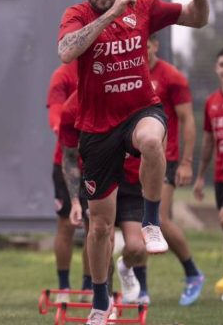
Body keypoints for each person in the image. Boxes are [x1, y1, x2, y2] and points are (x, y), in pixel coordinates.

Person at [57, 0, 209, 323]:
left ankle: (152, 221)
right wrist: (110, 14)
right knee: (100, 228)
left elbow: (196, 20)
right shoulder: (76, 15)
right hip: (97, 129)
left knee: (153, 140)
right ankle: (100, 301)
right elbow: (66, 51)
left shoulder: (142, 7)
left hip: (140, 111)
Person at [59, 91, 148, 307]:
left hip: (130, 183)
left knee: (137, 247)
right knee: (102, 238)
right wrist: (75, 201)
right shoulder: (72, 108)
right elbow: (69, 158)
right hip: (98, 179)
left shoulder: (132, 93)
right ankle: (105, 302)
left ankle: (126, 267)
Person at [146, 35, 204, 305]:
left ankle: (193, 273)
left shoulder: (171, 76)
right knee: (135, 223)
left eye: (146, 44)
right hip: (133, 159)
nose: (142, 49)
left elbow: (187, 119)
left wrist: (186, 162)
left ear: (156, 45)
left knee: (159, 219)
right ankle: (141, 290)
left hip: (165, 158)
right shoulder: (127, 74)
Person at [45, 60, 91, 300]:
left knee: (95, 225)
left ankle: (88, 286)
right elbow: (56, 114)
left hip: (98, 163)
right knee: (66, 225)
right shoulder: (62, 75)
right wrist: (64, 131)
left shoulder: (102, 67)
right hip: (67, 161)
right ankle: (63, 287)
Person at [193, 47, 223, 302]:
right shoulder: (211, 102)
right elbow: (208, 143)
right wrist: (199, 177)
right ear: (217, 69)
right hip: (221, 175)